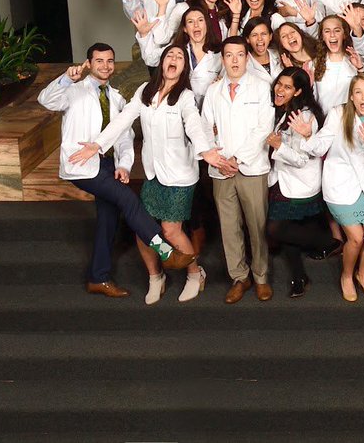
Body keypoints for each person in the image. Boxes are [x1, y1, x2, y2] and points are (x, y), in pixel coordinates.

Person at [61, 45, 203, 301]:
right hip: (153, 174)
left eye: (180, 57)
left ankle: (194, 274)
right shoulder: (144, 92)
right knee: (140, 225)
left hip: (180, 175)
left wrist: (207, 151)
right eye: (169, 55)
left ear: (184, 68)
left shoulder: (186, 97)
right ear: (161, 62)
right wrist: (97, 145)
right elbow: (123, 122)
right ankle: (155, 277)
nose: (173, 59)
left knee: (170, 231)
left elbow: (194, 125)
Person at [200, 36, 277, 304]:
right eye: (229, 55)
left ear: (247, 58)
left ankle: (260, 277)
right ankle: (239, 277)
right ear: (222, 60)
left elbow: (264, 128)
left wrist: (238, 158)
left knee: (257, 225)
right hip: (221, 169)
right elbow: (204, 127)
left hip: (251, 168)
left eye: (239, 55)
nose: (234, 60)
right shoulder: (213, 91)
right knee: (229, 227)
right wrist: (219, 159)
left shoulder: (261, 87)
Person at [265, 68, 340, 299]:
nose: (280, 89)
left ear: (298, 91)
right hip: (282, 181)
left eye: (288, 87)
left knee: (276, 230)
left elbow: (300, 159)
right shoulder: (283, 110)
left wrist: (279, 147)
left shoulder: (304, 117)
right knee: (287, 230)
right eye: (279, 84)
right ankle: (299, 277)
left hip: (299, 184)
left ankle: (330, 242)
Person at [315, 74, 364, 301]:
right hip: (340, 187)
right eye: (359, 92)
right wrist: (307, 135)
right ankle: (347, 276)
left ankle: (363, 274)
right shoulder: (338, 114)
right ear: (351, 97)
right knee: (356, 238)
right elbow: (321, 142)